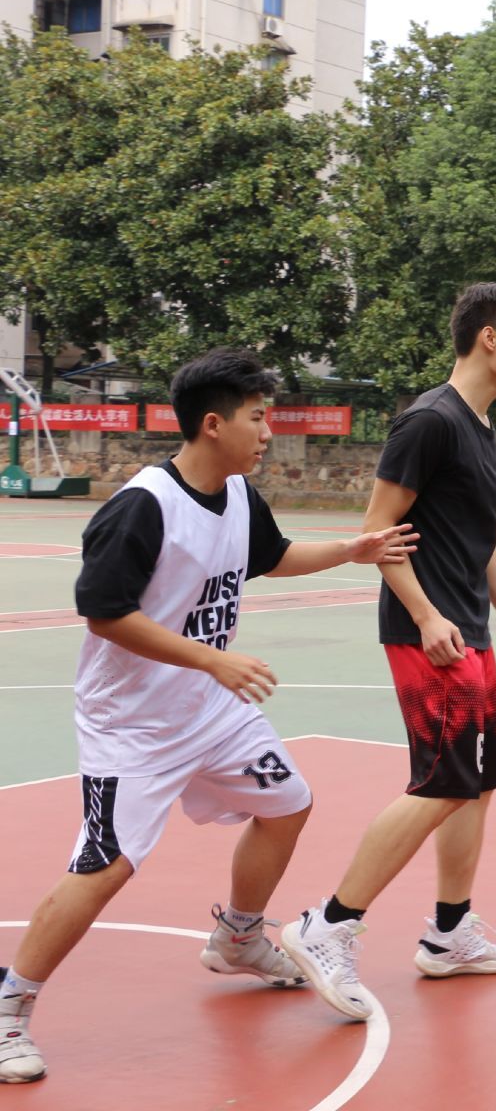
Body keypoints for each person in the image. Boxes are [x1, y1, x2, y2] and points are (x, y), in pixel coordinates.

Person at [0, 350, 416, 1085]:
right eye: (258, 419)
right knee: (105, 866)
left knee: (287, 802)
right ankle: (9, 1006)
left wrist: (352, 550)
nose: (268, 433)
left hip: (208, 711)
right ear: (213, 423)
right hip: (133, 724)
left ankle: (238, 938)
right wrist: (210, 659)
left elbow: (273, 555)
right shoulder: (142, 507)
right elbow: (103, 616)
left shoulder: (236, 494)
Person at [281, 283, 496, 1022]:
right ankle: (326, 924)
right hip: (426, 634)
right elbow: (377, 534)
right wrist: (426, 615)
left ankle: (450, 933)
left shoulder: (481, 427)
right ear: (488, 339)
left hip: (469, 628)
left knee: (478, 778)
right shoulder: (427, 422)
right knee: (440, 780)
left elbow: (479, 537)